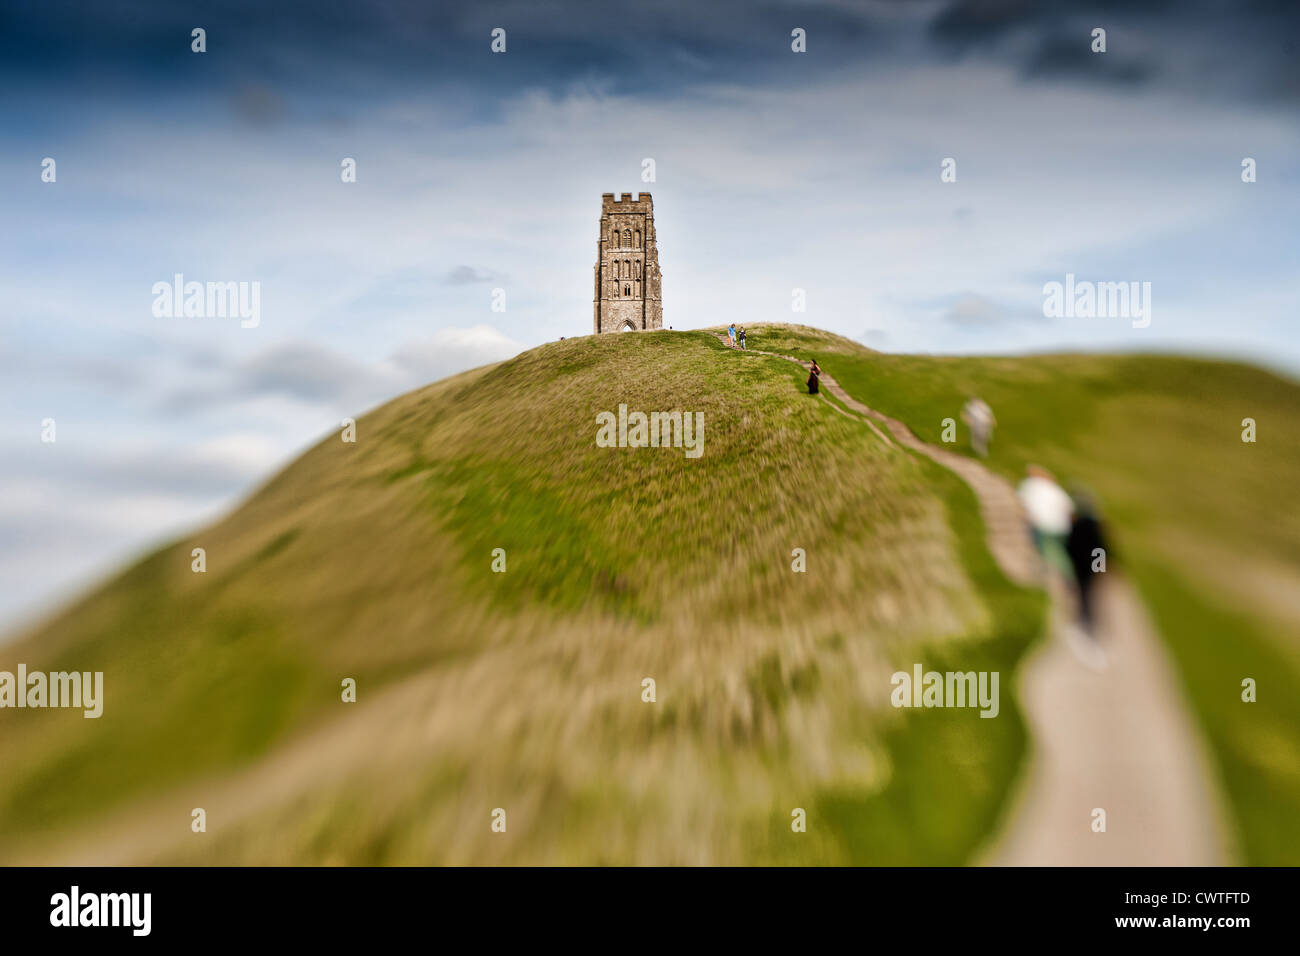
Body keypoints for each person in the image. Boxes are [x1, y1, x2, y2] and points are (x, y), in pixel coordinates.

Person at [1065, 491, 1109, 637]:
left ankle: (1084, 620)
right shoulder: (1097, 525)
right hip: (1093, 565)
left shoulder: (1076, 525)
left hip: (1080, 565)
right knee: (1091, 592)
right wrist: (1100, 567)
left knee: (1082, 592)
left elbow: (1070, 546)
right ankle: (1090, 619)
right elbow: (1101, 547)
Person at [1016, 465, 1073, 577]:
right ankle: (1067, 573)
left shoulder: (1029, 484)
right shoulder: (1055, 489)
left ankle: (1041, 572)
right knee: (1060, 550)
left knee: (1040, 549)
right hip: (1061, 526)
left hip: (1041, 523)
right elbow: (1069, 508)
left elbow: (1021, 502)